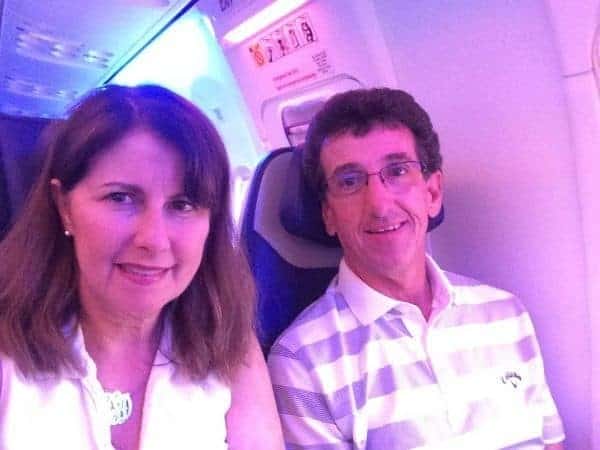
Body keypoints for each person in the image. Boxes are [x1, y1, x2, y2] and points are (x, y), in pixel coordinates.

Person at [267, 88, 565, 449]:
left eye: (397, 171)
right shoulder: (301, 362)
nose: (378, 203)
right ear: (328, 214)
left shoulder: (506, 313)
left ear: (433, 193)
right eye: (349, 182)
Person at [0, 84, 284, 450]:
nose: (154, 239)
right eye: (121, 198)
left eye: (182, 205)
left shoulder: (230, 343)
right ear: (63, 206)